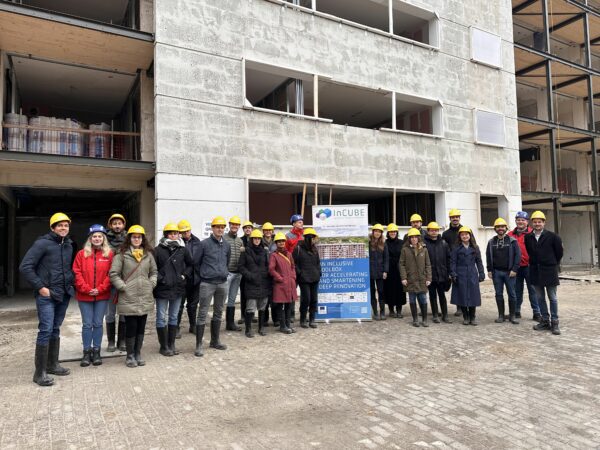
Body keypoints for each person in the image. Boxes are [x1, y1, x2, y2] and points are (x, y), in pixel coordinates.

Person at [20, 212, 75, 386]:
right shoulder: (42, 244)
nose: (63, 228)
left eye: (66, 225)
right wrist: (41, 287)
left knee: (56, 328)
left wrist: (70, 284)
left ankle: (52, 365)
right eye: (60, 225)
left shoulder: (69, 245)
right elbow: (25, 267)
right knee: (45, 329)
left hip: (63, 294)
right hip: (47, 295)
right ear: (52, 227)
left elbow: (67, 268)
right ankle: (39, 373)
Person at [109, 225, 157, 367]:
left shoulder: (148, 255)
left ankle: (138, 353)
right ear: (129, 238)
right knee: (131, 326)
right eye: (134, 237)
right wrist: (122, 287)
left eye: (139, 237)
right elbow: (113, 273)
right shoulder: (121, 255)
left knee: (141, 326)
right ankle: (129, 356)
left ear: (143, 239)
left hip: (145, 295)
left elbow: (154, 271)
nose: (137, 239)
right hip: (128, 296)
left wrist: (151, 283)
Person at [72, 224, 114, 367]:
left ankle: (96, 351)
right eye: (94, 236)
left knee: (97, 323)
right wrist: (86, 288)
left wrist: (100, 289)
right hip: (85, 296)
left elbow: (111, 274)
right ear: (90, 238)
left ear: (104, 239)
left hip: (102, 296)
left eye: (99, 236)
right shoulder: (81, 254)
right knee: (86, 324)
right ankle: (86, 351)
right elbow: (76, 273)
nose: (97, 238)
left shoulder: (109, 254)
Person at [154, 223, 192, 357]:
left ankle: (171, 344)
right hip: (162, 289)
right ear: (166, 235)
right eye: (170, 233)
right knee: (161, 318)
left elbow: (190, 265)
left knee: (174, 316)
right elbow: (153, 269)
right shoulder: (157, 250)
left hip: (178, 287)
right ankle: (163, 346)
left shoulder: (183, 249)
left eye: (175, 233)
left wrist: (184, 275)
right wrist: (161, 279)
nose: (173, 235)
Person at [194, 216, 231, 357]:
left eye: (222, 227)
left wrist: (223, 272)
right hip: (207, 283)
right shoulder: (204, 244)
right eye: (217, 227)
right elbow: (196, 263)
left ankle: (215, 341)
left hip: (222, 282)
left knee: (218, 312)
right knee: (202, 313)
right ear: (212, 228)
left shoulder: (226, 245)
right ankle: (198, 345)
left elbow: (227, 261)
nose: (220, 229)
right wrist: (205, 275)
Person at [525, 211, 564, 335]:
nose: (537, 224)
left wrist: (552, 263)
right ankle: (545, 321)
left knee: (552, 297)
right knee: (540, 298)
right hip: (535, 271)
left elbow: (559, 253)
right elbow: (529, 252)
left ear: (544, 223)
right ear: (532, 223)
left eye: (539, 222)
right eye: (535, 222)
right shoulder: (528, 237)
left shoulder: (553, 237)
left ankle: (555, 322)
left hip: (549, 271)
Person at [486, 218, 521, 325]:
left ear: (506, 228)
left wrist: (514, 269)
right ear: (495, 229)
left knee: (512, 294)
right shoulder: (491, 242)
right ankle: (501, 315)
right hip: (496, 273)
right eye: (498, 227)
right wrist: (489, 270)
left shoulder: (512, 241)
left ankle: (512, 315)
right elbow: (488, 256)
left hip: (509, 273)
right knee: (498, 294)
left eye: (502, 227)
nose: (500, 228)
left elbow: (518, 256)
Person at [508, 211, 541, 321]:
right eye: (518, 219)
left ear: (527, 222)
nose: (520, 222)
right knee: (516, 290)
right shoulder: (510, 235)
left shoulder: (532, 233)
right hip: (516, 267)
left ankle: (537, 312)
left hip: (529, 266)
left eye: (523, 220)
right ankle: (516, 311)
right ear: (516, 221)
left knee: (533, 290)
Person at [238, 229, 271, 337]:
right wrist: (250, 276)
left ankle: (261, 328)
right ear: (251, 240)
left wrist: (265, 274)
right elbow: (241, 267)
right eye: (254, 239)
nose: (256, 240)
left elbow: (268, 265)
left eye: (258, 239)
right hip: (251, 283)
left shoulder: (265, 251)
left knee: (262, 306)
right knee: (250, 307)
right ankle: (248, 329)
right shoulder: (245, 251)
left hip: (263, 282)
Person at [450, 226, 485, 326]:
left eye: (466, 234)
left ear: (470, 235)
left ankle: (472, 317)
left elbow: (479, 261)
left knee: (473, 296)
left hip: (472, 273)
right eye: (462, 235)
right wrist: (453, 273)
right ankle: (465, 317)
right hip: (460, 274)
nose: (464, 236)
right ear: (459, 236)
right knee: (462, 296)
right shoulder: (456, 248)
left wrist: (481, 273)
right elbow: (453, 262)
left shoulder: (475, 247)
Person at [400, 228, 432, 327]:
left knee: (423, 299)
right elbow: (401, 264)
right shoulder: (405, 250)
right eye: (412, 237)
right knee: (412, 299)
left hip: (422, 279)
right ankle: (415, 319)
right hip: (410, 279)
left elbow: (428, 265)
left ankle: (425, 319)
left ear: (419, 238)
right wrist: (404, 277)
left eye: (415, 237)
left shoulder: (424, 249)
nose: (414, 239)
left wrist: (429, 278)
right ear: (409, 239)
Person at [105, 213, 128, 352]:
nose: (117, 226)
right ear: (110, 225)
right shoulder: (104, 240)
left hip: (125, 281)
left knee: (124, 312)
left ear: (124, 225)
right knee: (110, 313)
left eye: (120, 223)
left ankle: (122, 341)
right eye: (114, 223)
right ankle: (111, 342)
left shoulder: (129, 239)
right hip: (110, 282)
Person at [176, 219, 202, 337]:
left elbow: (200, 260)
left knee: (193, 304)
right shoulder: (176, 243)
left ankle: (193, 325)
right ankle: (176, 327)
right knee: (179, 305)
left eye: (188, 231)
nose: (186, 233)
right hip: (182, 278)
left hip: (195, 278)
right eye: (183, 231)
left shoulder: (197, 242)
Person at [293, 227, 321, 329]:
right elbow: (294, 263)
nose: (314, 240)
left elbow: (318, 263)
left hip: (314, 278)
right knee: (306, 299)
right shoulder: (298, 248)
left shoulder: (315, 249)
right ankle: (303, 319)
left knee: (314, 299)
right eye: (313, 238)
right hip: (304, 279)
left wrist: (319, 273)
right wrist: (300, 273)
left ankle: (312, 318)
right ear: (308, 238)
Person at [269, 232, 298, 334]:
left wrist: (293, 277)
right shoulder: (274, 255)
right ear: (276, 243)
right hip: (280, 284)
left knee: (289, 305)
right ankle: (282, 326)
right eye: (279, 242)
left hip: (290, 283)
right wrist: (280, 278)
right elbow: (271, 269)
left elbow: (293, 267)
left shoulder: (289, 254)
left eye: (282, 241)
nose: (281, 243)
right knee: (280, 306)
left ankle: (288, 325)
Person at [423, 222, 452, 323]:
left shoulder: (444, 243)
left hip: (442, 274)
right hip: (430, 275)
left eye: (436, 230)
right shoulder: (424, 244)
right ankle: (435, 315)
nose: (434, 232)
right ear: (428, 231)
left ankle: (445, 315)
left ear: (438, 231)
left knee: (442, 296)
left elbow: (449, 259)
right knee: (432, 295)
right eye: (432, 230)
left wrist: (449, 272)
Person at [223, 216, 243, 332]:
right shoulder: (224, 239)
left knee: (232, 299)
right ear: (229, 225)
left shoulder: (240, 241)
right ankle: (217, 321)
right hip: (228, 273)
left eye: (237, 224)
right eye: (233, 224)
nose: (235, 226)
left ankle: (230, 324)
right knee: (223, 298)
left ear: (239, 226)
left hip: (238, 273)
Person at [442, 209, 464, 317]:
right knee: (453, 285)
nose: (455, 219)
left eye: (457, 217)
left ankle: (461, 307)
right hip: (450, 262)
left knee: (462, 285)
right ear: (450, 219)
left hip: (463, 262)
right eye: (453, 217)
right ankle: (457, 306)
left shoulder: (465, 230)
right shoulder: (445, 234)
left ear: (459, 218)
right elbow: (442, 249)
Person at [383, 223, 405, 318]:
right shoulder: (385, 243)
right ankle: (391, 310)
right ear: (388, 233)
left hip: (399, 270)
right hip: (389, 270)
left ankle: (399, 310)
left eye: (394, 231)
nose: (392, 233)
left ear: (397, 232)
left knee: (400, 290)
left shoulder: (402, 242)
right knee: (389, 290)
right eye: (391, 231)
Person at [369, 224, 388, 320]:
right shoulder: (368, 243)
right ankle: (375, 312)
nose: (377, 233)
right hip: (370, 272)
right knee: (372, 292)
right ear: (373, 232)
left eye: (379, 231)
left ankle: (382, 312)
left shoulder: (384, 243)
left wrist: (385, 271)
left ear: (381, 233)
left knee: (381, 292)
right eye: (376, 231)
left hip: (380, 272)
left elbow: (386, 258)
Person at [237, 220, 255, 325]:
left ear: (252, 229)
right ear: (243, 229)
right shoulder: (240, 240)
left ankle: (252, 315)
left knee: (252, 294)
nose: (248, 229)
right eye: (246, 228)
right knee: (244, 294)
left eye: (249, 227)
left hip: (253, 271)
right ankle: (243, 316)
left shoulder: (255, 239)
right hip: (244, 271)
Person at [261, 221, 278, 326]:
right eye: (266, 230)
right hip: (264, 274)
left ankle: (276, 319)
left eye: (269, 230)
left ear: (272, 231)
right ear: (263, 232)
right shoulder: (259, 241)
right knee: (265, 299)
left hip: (275, 273)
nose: (268, 232)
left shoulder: (276, 242)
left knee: (275, 298)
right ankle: (265, 319)